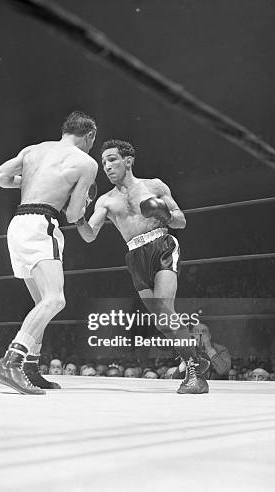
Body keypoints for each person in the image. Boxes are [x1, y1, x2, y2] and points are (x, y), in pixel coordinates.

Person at [76, 139, 209, 394]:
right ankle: (199, 359)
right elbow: (89, 235)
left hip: (161, 245)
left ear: (128, 161)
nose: (107, 166)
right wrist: (79, 216)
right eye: (104, 162)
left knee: (163, 307)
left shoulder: (154, 186)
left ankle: (194, 371)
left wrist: (165, 215)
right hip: (134, 255)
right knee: (161, 321)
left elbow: (181, 221)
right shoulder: (105, 201)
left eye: (112, 159)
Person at [0, 111, 98, 395]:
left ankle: (30, 368)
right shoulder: (86, 162)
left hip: (17, 225)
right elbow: (73, 214)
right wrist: (80, 203)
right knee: (55, 300)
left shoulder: (33, 150)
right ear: (89, 136)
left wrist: (27, 185)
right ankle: (11, 361)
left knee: (41, 302)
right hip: (42, 224)